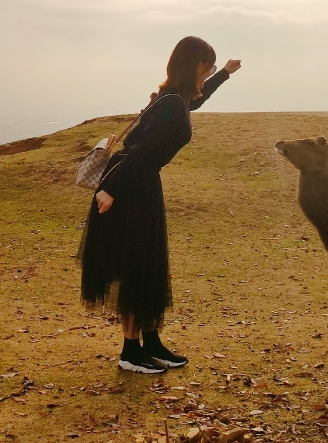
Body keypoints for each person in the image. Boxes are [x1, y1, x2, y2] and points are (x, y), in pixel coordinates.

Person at [78, 36, 241, 374]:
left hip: (143, 186)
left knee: (150, 266)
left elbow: (195, 101)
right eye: (208, 67)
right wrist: (109, 190)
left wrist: (224, 73)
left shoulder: (174, 99)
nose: (208, 73)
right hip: (129, 187)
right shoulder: (169, 104)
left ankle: (150, 343)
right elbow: (138, 153)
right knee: (136, 267)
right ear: (196, 66)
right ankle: (130, 352)